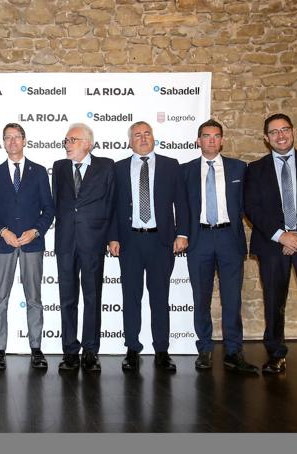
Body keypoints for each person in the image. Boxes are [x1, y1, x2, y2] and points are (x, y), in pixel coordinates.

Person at [108, 121, 188, 372]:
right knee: (131, 297)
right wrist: (113, 237)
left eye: (147, 134)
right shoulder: (118, 168)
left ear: (153, 137)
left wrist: (182, 233)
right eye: (137, 135)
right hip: (130, 241)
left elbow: (182, 203)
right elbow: (111, 207)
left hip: (161, 241)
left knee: (160, 297)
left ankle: (162, 350)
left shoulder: (170, 165)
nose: (142, 138)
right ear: (129, 142)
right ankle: (132, 348)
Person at [182, 120, 258, 373]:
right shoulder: (186, 171)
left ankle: (233, 351)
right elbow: (179, 209)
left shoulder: (239, 168)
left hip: (229, 239)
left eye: (216, 136)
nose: (212, 140)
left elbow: (251, 204)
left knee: (232, 299)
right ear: (198, 141)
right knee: (201, 298)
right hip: (199, 239)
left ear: (222, 140)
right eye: (206, 136)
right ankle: (204, 348)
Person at [0, 123, 54, 370]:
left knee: (34, 298)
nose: (12, 142)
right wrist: (3, 232)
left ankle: (36, 348)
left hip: (32, 245)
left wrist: (35, 231)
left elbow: (49, 209)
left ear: (24, 140)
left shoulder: (40, 172)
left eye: (16, 137)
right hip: (4, 245)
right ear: (3, 142)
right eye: (7, 138)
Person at [245, 113, 297, 374]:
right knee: (274, 301)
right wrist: (282, 235)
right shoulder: (255, 169)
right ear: (266, 138)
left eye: (285, 130)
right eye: (274, 132)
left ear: (293, 132)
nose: (280, 135)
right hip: (272, 244)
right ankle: (276, 353)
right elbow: (252, 207)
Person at [52, 123, 115, 372]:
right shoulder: (59, 167)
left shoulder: (106, 166)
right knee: (67, 299)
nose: (67, 144)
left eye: (72, 140)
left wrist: (112, 237)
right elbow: (58, 201)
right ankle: (69, 350)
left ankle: (90, 351)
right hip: (66, 241)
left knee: (92, 297)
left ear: (87, 143)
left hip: (93, 241)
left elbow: (112, 203)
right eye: (66, 140)